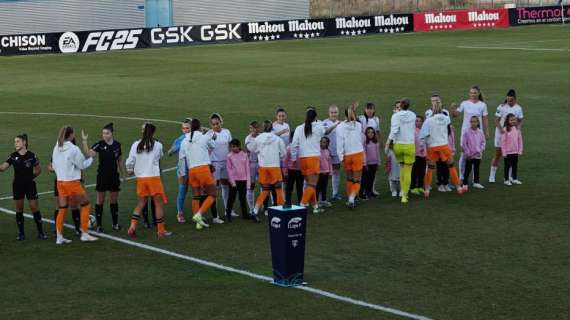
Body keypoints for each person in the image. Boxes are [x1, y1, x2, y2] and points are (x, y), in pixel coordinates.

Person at [52, 126, 98, 244]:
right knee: (85, 204)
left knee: (62, 208)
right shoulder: (73, 149)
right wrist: (92, 158)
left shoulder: (57, 146)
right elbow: (82, 165)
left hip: (60, 182)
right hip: (72, 182)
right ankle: (85, 233)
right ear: (71, 135)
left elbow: (54, 165)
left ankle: (59, 237)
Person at [125, 123, 171, 239]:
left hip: (141, 179)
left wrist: (130, 170)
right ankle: (161, 231)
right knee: (158, 204)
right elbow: (159, 157)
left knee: (141, 203)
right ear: (154, 133)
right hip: (153, 178)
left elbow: (129, 161)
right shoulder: (158, 145)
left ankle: (132, 226)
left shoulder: (136, 144)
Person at [0, 134, 47, 241]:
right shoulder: (13, 156)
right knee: (19, 209)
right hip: (17, 185)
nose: (15, 143)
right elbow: (2, 168)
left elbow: (38, 169)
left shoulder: (32, 156)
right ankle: (21, 234)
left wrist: (31, 177)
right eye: (15, 142)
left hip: (30, 185)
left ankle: (41, 233)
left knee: (34, 208)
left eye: (17, 141)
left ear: (24, 142)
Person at [82, 123, 124, 233]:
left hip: (114, 176)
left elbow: (119, 159)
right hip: (102, 176)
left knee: (114, 201)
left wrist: (122, 173)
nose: (104, 135)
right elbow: (89, 154)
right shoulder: (99, 144)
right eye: (103, 133)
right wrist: (84, 141)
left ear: (111, 133)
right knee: (100, 200)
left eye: (107, 133)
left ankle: (115, 224)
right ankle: (99, 226)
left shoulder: (117, 145)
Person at [179, 118, 217, 230]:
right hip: (203, 170)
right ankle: (199, 214)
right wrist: (211, 138)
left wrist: (182, 174)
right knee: (213, 194)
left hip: (192, 171)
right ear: (199, 127)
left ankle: (198, 222)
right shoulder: (204, 137)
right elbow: (213, 146)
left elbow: (182, 159)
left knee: (196, 195)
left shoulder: (184, 141)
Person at [420, 104, 464, 198]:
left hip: (432, 147)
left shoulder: (428, 120)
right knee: (451, 167)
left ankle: (427, 190)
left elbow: (423, 135)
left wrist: (424, 145)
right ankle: (458, 188)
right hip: (444, 146)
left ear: (432, 111)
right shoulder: (446, 119)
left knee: (430, 168)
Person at [246, 120, 286, 222]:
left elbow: (251, 148)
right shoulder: (277, 139)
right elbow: (283, 153)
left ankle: (254, 211)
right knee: (278, 190)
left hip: (263, 167)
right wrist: (277, 156)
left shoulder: (258, 138)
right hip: (274, 167)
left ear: (263, 128)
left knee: (265, 191)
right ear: (272, 128)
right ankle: (281, 211)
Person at [291, 107, 326, 213]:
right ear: (315, 117)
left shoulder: (298, 128)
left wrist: (293, 158)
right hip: (313, 159)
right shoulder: (318, 127)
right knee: (312, 184)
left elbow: (294, 145)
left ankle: (315, 207)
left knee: (310, 184)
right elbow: (325, 131)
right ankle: (302, 205)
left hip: (302, 159)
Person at [452, 86, 489, 180]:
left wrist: (486, 132)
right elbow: (455, 115)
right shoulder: (465, 103)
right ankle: (461, 176)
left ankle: (474, 179)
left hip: (477, 133)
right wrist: (453, 109)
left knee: (476, 154)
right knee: (464, 153)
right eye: (471, 92)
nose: (473, 94)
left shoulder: (482, 105)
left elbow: (485, 119)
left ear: (478, 93)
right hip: (465, 132)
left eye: (475, 92)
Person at [489, 89, 524, 183]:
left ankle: (509, 177)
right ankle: (492, 175)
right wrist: (501, 130)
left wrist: (518, 128)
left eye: (511, 100)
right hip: (501, 134)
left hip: (512, 136)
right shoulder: (501, 107)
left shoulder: (518, 108)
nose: (509, 101)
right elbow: (496, 120)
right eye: (508, 100)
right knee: (498, 154)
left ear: (515, 99)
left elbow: (520, 120)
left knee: (512, 155)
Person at [387, 98, 416, 204]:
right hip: (409, 145)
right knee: (408, 171)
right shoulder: (413, 115)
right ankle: (404, 195)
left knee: (402, 168)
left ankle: (401, 191)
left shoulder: (395, 116)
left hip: (398, 146)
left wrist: (387, 143)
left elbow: (394, 130)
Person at [335, 104, 364, 208]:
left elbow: (339, 143)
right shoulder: (358, 125)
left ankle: (350, 198)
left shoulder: (340, 127)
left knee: (349, 179)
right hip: (357, 154)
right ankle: (352, 198)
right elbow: (355, 121)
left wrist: (341, 157)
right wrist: (353, 111)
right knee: (357, 180)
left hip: (347, 155)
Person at [206, 113, 233, 224]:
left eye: (217, 123)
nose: (215, 126)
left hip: (226, 162)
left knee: (226, 185)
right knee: (214, 189)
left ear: (221, 122)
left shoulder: (227, 132)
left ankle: (228, 210)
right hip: (215, 164)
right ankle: (215, 215)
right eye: (213, 124)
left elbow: (230, 146)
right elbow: (206, 149)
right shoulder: (208, 134)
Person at [167, 118, 192, 223]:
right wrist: (174, 149)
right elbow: (170, 152)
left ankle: (198, 212)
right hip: (183, 168)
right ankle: (180, 213)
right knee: (183, 190)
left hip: (194, 167)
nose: (185, 130)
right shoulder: (180, 139)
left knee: (197, 190)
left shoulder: (198, 137)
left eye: (187, 128)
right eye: (183, 128)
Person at [358, 102, 381, 196]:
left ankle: (371, 189)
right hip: (364, 145)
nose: (369, 111)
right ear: (365, 110)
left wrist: (379, 141)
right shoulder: (361, 118)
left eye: (371, 109)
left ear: (374, 110)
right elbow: (353, 119)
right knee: (365, 173)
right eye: (368, 109)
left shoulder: (376, 119)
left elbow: (378, 131)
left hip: (373, 144)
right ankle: (362, 191)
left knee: (372, 173)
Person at [226, 139, 250, 222]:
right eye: (232, 147)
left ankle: (245, 214)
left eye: (235, 146)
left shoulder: (245, 155)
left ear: (239, 146)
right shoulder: (229, 156)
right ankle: (228, 214)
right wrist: (232, 182)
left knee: (242, 198)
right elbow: (229, 170)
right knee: (231, 198)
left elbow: (247, 169)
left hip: (243, 180)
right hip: (234, 181)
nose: (233, 148)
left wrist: (248, 183)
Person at [322, 105, 342, 201]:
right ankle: (321, 196)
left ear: (338, 113)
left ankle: (335, 193)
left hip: (337, 152)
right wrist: (335, 125)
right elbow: (325, 132)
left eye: (335, 112)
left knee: (336, 172)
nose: (334, 114)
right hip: (326, 152)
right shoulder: (325, 122)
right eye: (332, 112)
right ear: (329, 113)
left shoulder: (341, 123)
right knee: (324, 174)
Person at [461, 116, 486, 190]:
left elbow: (483, 142)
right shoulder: (466, 131)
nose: (473, 123)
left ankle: (476, 182)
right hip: (469, 155)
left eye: (475, 122)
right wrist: (467, 153)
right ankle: (465, 183)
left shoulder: (480, 132)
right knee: (467, 169)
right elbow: (464, 143)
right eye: (471, 122)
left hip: (477, 155)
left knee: (476, 168)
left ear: (478, 122)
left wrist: (481, 150)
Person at [501, 114, 523, 186]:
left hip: (515, 151)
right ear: (508, 121)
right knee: (507, 166)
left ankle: (514, 179)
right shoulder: (505, 130)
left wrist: (520, 150)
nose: (513, 121)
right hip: (507, 152)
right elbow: (503, 142)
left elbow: (520, 140)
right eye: (511, 120)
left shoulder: (517, 129)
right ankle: (506, 179)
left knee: (514, 166)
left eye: (514, 120)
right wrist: (504, 153)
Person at [283, 130, 304, 206]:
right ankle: (288, 202)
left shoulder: (302, 147)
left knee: (300, 187)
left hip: (300, 171)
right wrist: (285, 172)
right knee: (289, 187)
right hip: (290, 171)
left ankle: (300, 202)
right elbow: (285, 161)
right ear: (291, 138)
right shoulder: (289, 148)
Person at [244, 121, 260, 216]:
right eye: (251, 128)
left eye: (255, 128)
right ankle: (251, 208)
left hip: (262, 163)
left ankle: (264, 206)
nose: (253, 130)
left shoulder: (262, 136)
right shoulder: (248, 139)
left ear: (258, 129)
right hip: (252, 164)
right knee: (251, 186)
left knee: (264, 185)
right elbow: (249, 151)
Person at [361, 127, 380, 199]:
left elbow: (377, 153)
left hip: (374, 163)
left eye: (372, 132)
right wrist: (365, 163)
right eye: (369, 132)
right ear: (366, 133)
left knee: (372, 179)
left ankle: (370, 191)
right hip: (367, 164)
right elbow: (364, 153)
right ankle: (366, 192)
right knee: (366, 179)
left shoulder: (376, 142)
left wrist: (378, 162)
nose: (370, 134)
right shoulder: (365, 143)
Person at [410, 115, 427, 196]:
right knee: (414, 172)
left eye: (420, 121)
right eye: (416, 121)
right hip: (415, 154)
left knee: (422, 171)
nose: (418, 122)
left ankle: (420, 186)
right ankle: (413, 187)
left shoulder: (424, 131)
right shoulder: (413, 131)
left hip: (423, 155)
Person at [316, 136, 332, 207]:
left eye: (324, 142)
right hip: (319, 173)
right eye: (321, 142)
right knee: (317, 187)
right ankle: (316, 202)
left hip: (326, 172)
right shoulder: (317, 151)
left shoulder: (328, 151)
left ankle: (324, 200)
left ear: (327, 143)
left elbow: (329, 162)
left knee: (324, 187)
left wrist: (330, 172)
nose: (322, 143)